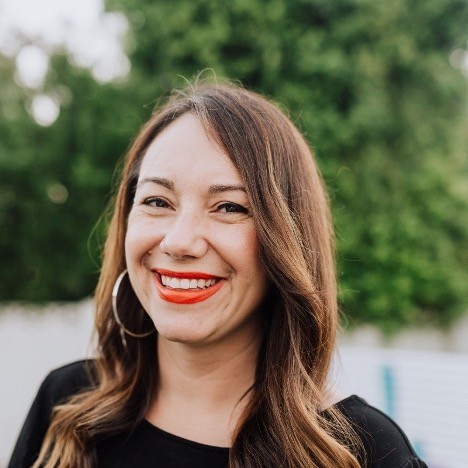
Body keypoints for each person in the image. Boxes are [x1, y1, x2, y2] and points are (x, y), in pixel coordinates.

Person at [8, 82, 427, 468]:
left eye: (229, 207)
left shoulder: (364, 452)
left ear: (287, 243)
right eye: (157, 200)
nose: (179, 241)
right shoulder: (66, 408)